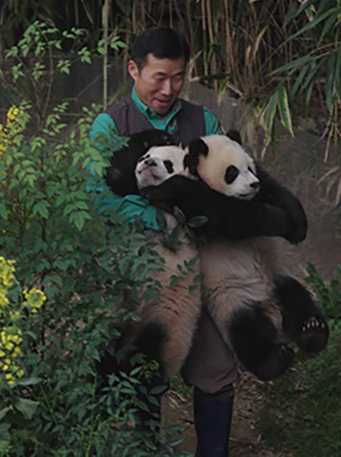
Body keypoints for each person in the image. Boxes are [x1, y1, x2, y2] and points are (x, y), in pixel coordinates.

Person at [88, 26, 236, 457]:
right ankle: (145, 448)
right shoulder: (110, 125)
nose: (169, 89)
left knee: (216, 366)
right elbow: (96, 198)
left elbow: (226, 182)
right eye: (159, 77)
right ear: (133, 70)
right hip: (136, 269)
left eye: (178, 77)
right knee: (142, 364)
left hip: (196, 266)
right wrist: (157, 217)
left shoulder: (203, 122)